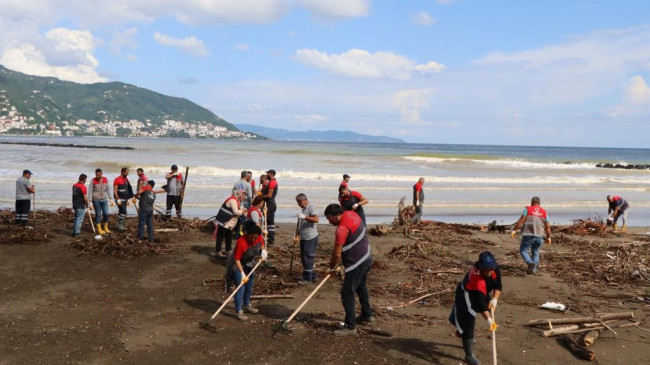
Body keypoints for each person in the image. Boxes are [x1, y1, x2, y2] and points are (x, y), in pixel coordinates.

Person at [324, 204, 373, 337]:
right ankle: (367, 314)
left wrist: (331, 268)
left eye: (330, 219)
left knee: (347, 292)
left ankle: (350, 327)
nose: (330, 222)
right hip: (367, 256)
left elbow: (336, 253)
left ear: (338, 215)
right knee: (361, 287)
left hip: (357, 262)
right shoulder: (352, 214)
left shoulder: (341, 229)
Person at [448, 251, 502, 365]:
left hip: (481, 293)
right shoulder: (477, 280)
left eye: (491, 269)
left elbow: (498, 285)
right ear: (481, 267)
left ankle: (456, 321)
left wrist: (495, 299)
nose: (490, 272)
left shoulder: (494, 268)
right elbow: (481, 304)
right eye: (486, 270)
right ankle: (468, 356)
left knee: (462, 319)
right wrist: (489, 321)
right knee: (468, 322)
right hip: (466, 294)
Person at [226, 220, 268, 321]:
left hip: (250, 263)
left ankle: (247, 305)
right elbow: (236, 259)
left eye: (255, 237)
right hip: (237, 264)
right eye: (251, 237)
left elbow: (262, 243)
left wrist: (263, 251)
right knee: (241, 287)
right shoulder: (241, 242)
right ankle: (239, 311)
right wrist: (242, 273)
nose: (253, 239)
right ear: (247, 234)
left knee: (249, 286)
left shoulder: (258, 237)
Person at [511, 196, 552, 275]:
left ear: (531, 203)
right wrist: (549, 237)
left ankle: (530, 263)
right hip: (539, 236)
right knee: (535, 252)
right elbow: (547, 227)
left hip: (528, 235)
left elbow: (521, 221)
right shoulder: (544, 212)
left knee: (523, 250)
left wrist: (514, 230)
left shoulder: (527, 209)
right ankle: (533, 270)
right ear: (539, 204)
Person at [213, 190, 247, 258]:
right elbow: (236, 212)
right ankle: (218, 251)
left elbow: (242, 211)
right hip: (224, 221)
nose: (244, 197)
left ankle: (228, 250)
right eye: (243, 195)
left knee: (229, 236)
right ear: (238, 195)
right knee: (220, 237)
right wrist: (243, 211)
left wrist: (244, 212)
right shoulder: (232, 200)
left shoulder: (239, 202)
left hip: (231, 222)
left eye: (244, 195)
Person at [296, 193, 319, 284]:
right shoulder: (304, 209)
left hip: (310, 237)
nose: (298, 204)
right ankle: (312, 275)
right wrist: (298, 231)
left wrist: (304, 217)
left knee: (307, 257)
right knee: (305, 256)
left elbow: (316, 219)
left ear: (303, 200)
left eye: (299, 202)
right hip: (304, 236)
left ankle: (307, 278)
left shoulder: (311, 207)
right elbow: (304, 222)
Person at [90, 168, 112, 235]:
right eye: (96, 174)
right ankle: (99, 229)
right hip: (96, 200)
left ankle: (105, 228)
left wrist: (111, 198)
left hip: (104, 200)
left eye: (98, 175)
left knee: (106, 214)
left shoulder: (105, 179)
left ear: (101, 174)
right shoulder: (93, 180)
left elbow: (108, 189)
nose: (97, 176)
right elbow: (90, 191)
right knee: (98, 215)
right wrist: (90, 202)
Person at [113, 167, 134, 231]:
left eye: (128, 172)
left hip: (125, 199)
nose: (127, 174)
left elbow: (127, 190)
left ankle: (120, 226)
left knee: (121, 212)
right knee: (124, 212)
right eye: (126, 172)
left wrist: (127, 200)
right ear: (122, 172)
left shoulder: (126, 179)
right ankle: (120, 226)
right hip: (119, 198)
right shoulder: (117, 179)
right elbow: (115, 191)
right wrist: (117, 199)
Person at [261, 169, 278, 246]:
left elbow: (269, 195)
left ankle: (270, 240)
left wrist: (260, 197)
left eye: (267, 173)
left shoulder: (272, 183)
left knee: (269, 222)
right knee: (269, 222)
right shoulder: (272, 182)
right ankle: (269, 238)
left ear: (270, 174)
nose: (266, 175)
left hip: (270, 204)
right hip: (270, 203)